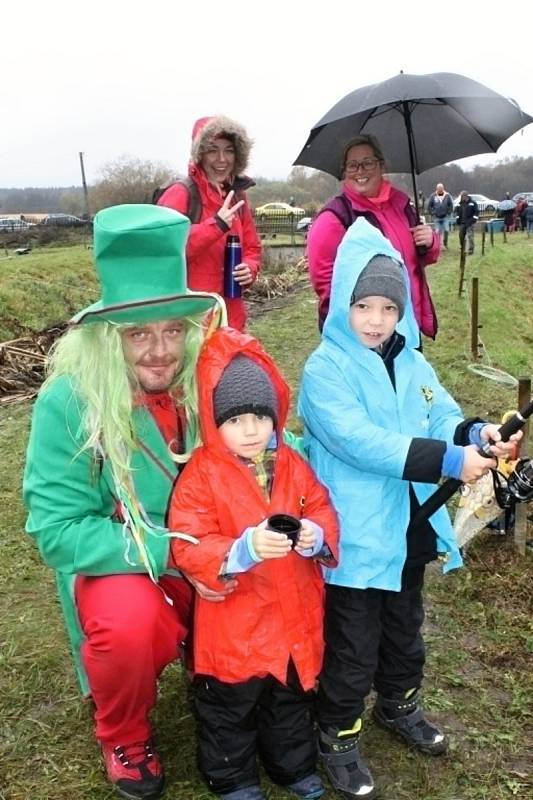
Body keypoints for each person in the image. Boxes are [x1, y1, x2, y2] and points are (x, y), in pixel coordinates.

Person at [298, 218, 521, 799]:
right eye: (364, 306)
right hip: (355, 536)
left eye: (388, 308)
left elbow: (441, 412)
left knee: (405, 631)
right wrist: (447, 461)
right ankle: (338, 737)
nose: (376, 320)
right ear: (341, 302)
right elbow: (358, 441)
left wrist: (474, 433)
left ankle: (399, 706)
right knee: (352, 644)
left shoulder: (413, 361)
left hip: (412, 527)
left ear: (402, 312)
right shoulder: (324, 370)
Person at [23, 204, 232, 800]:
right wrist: (171, 552)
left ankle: (219, 669)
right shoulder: (68, 402)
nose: (160, 351)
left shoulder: (207, 376)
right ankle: (123, 731)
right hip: (128, 566)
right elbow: (60, 531)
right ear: (106, 335)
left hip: (207, 553)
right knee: (129, 624)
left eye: (172, 330)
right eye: (138, 333)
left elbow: (270, 442)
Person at [168, 326, 339, 800]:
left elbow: (320, 505)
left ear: (275, 417)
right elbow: (189, 541)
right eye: (237, 419)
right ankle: (233, 778)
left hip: (291, 620)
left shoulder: (291, 463)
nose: (251, 430)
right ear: (214, 420)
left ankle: (293, 766)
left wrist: (315, 534)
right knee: (229, 710)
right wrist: (240, 551)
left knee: (288, 700)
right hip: (236, 624)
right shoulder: (201, 476)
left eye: (261, 417)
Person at [307, 134, 440, 337]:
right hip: (369, 332)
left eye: (367, 163)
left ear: (381, 165)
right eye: (352, 165)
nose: (360, 171)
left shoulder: (401, 205)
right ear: (344, 171)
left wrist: (430, 242)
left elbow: (416, 260)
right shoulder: (335, 217)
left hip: (408, 324)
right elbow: (325, 284)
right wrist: (363, 326)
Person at [157, 115, 262, 331]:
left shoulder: (237, 197)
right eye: (213, 150)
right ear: (200, 154)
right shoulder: (181, 194)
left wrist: (249, 269)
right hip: (191, 322)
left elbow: (252, 247)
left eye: (229, 150)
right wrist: (216, 225)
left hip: (231, 321)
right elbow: (165, 251)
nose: (222, 159)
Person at [427, 182, 454, 249]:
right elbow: (429, 206)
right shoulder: (433, 196)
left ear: (443, 189)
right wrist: (432, 213)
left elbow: (451, 205)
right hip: (436, 217)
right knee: (437, 231)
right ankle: (437, 245)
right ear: (437, 189)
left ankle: (445, 244)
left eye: (441, 188)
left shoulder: (447, 195)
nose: (440, 190)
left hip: (445, 217)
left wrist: (449, 212)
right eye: (438, 188)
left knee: (446, 230)